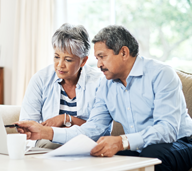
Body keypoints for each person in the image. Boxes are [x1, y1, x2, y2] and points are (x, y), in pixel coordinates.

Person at [16, 25, 192, 171]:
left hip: (181, 142)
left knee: (154, 154)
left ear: (123, 53)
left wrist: (122, 141)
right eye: (97, 58)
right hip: (139, 147)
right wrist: (45, 132)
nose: (98, 64)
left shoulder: (161, 74)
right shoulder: (105, 85)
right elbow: (93, 129)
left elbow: (167, 130)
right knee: (106, 161)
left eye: (102, 57)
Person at [19, 23, 103, 149]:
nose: (60, 65)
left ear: (83, 61)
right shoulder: (40, 79)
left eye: (68, 59)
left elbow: (100, 130)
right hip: (48, 144)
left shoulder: (99, 82)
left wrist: (66, 119)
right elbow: (28, 126)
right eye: (56, 57)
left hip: (85, 144)